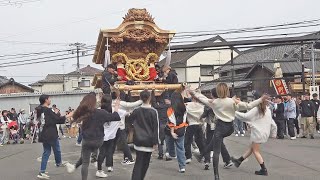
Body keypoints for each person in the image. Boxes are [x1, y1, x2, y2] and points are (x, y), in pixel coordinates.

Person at [189, 84, 267, 180]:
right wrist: (261, 99)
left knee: (216, 151)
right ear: (227, 91)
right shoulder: (232, 101)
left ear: (217, 92)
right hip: (230, 128)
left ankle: (216, 175)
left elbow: (202, 99)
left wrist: (194, 92)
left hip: (220, 127)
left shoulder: (214, 102)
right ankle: (201, 155)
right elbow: (248, 105)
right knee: (215, 141)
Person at [65, 93, 121, 180]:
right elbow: (116, 117)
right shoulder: (101, 112)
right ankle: (85, 162)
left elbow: (73, 118)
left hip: (87, 140)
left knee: (85, 162)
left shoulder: (83, 113)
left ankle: (87, 163)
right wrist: (116, 106)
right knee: (87, 154)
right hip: (99, 141)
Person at [231, 99, 277, 176]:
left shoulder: (256, 109)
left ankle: (263, 169)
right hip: (264, 133)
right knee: (251, 148)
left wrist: (233, 112)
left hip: (257, 133)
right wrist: (274, 133)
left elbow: (245, 116)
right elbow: (273, 123)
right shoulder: (267, 110)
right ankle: (239, 161)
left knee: (256, 151)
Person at [36, 94, 74, 180]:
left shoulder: (39, 109)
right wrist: (68, 115)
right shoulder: (48, 110)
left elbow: (49, 119)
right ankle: (58, 163)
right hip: (50, 133)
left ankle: (42, 171)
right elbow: (57, 120)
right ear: (46, 100)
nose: (50, 100)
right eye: (49, 99)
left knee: (46, 152)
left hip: (43, 133)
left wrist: (55, 114)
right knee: (57, 149)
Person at [127, 90, 159, 180]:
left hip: (138, 140)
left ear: (140, 98)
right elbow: (156, 128)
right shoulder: (153, 111)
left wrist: (134, 128)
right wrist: (155, 142)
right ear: (150, 98)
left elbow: (129, 121)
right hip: (149, 141)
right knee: (146, 163)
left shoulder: (136, 111)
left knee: (138, 162)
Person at [201, 89, 234, 171]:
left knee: (209, 142)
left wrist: (200, 117)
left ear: (212, 95)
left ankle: (207, 161)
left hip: (211, 125)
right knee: (220, 143)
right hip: (221, 125)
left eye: (211, 94)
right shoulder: (222, 103)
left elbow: (204, 114)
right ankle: (227, 160)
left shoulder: (211, 103)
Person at [96, 94, 124, 177]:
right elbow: (123, 114)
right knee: (110, 151)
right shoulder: (116, 111)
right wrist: (117, 105)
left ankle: (99, 169)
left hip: (101, 136)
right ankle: (109, 166)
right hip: (111, 136)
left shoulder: (98, 111)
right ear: (110, 102)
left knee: (102, 153)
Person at [166, 91, 188, 173]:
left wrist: (172, 132)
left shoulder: (170, 109)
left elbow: (171, 122)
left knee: (169, 141)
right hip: (182, 129)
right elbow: (185, 119)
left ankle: (171, 154)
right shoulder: (184, 107)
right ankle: (182, 167)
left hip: (174, 130)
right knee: (180, 148)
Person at [184, 97, 207, 165]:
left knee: (187, 141)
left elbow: (184, 111)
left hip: (191, 124)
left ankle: (188, 157)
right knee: (200, 141)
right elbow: (204, 117)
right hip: (199, 124)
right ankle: (204, 156)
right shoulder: (202, 106)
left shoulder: (188, 105)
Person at [151, 91, 171, 160]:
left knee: (160, 140)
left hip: (160, 124)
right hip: (167, 124)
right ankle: (167, 155)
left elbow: (153, 102)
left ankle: (161, 154)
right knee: (167, 140)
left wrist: (152, 92)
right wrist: (166, 90)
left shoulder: (157, 106)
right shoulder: (168, 106)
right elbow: (167, 98)